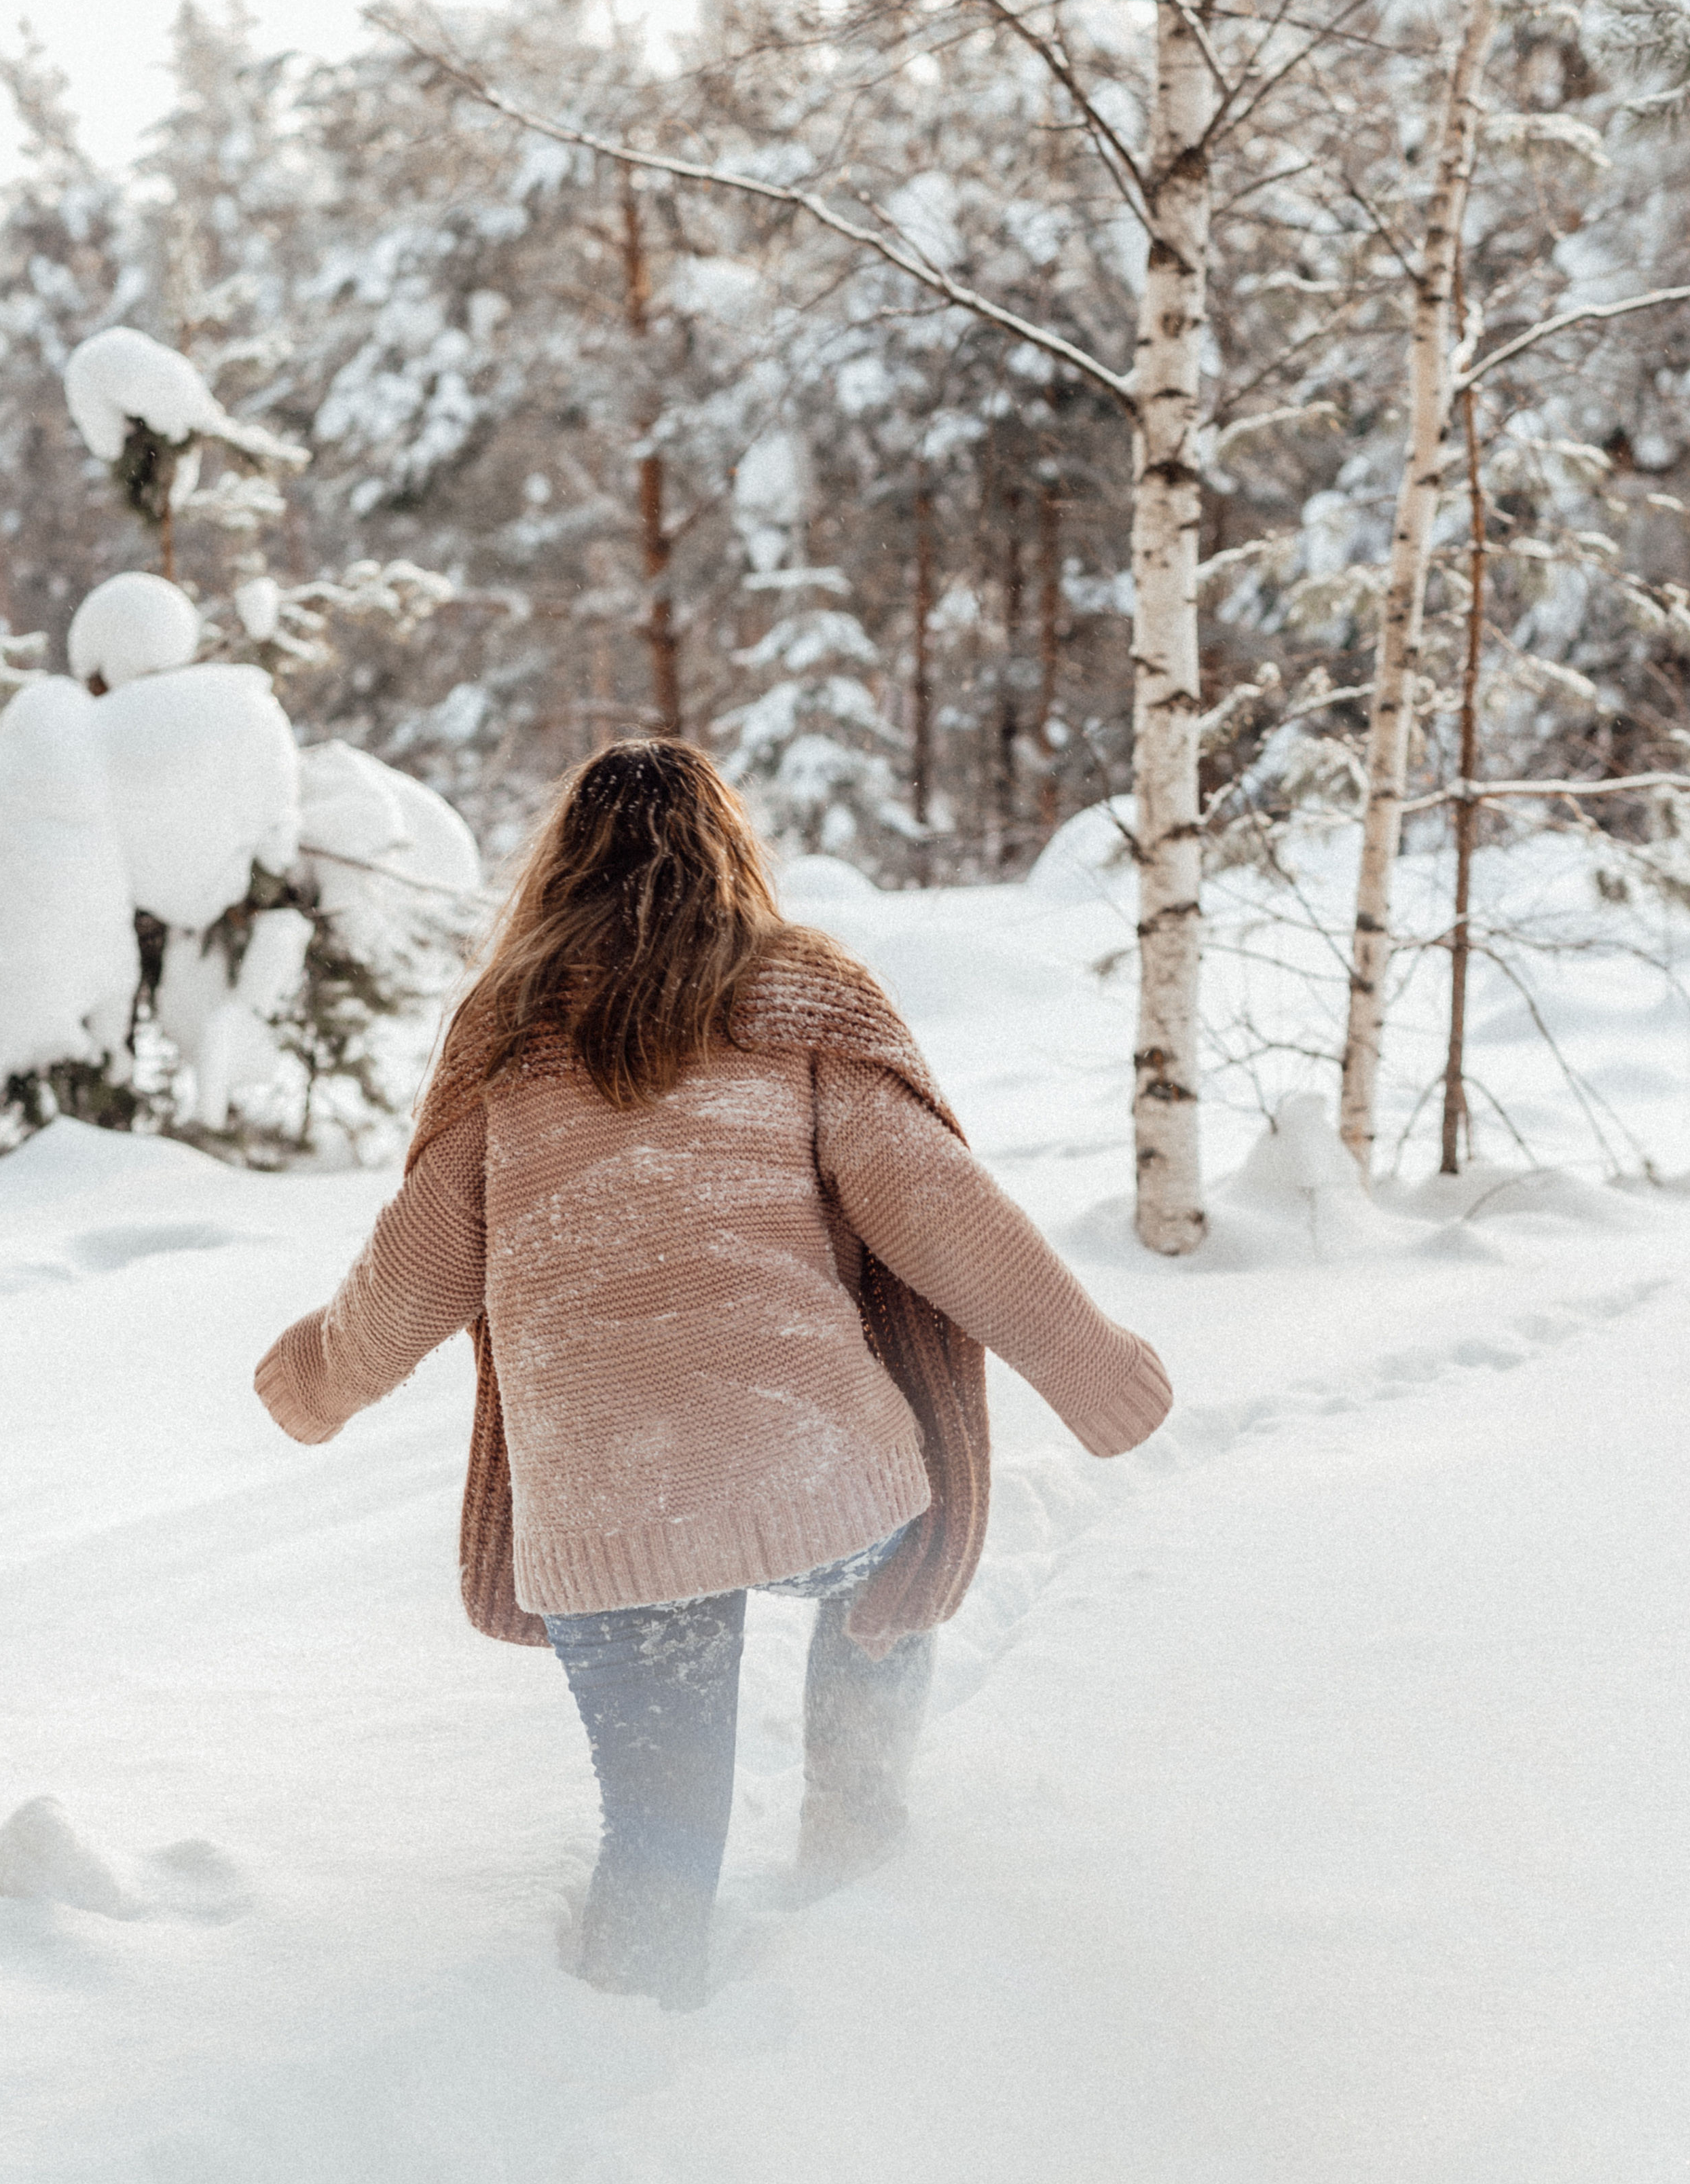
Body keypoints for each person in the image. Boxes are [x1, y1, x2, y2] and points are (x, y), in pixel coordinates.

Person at [255, 740, 1171, 2008]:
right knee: (896, 1568)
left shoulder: (509, 1038)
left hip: (605, 1519)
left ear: (560, 867)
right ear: (730, 852)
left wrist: (316, 1378)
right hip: (816, 1480)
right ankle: (859, 1850)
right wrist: (1092, 1365)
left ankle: (637, 2038)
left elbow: (413, 1270)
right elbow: (941, 1210)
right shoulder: (798, 998)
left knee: (660, 1835)